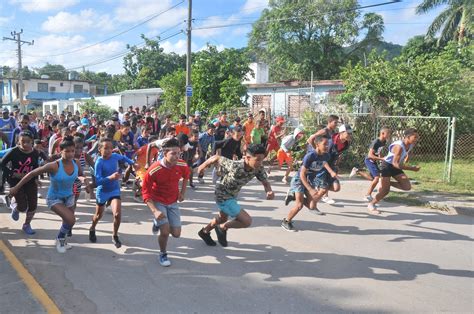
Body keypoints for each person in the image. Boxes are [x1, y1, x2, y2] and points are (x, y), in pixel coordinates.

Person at [9, 136, 80, 253]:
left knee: (67, 221)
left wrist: (85, 181)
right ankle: (60, 238)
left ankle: (63, 241)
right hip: (54, 198)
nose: (71, 154)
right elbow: (31, 174)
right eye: (67, 151)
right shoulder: (53, 165)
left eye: (73, 151)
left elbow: (80, 175)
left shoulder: (76, 162)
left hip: (70, 197)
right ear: (60, 151)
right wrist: (16, 187)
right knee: (71, 220)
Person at [197, 144, 274, 247]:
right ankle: (222, 227)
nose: (260, 163)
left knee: (222, 218)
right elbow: (216, 157)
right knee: (246, 221)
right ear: (247, 158)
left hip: (232, 195)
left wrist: (269, 191)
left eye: (262, 160)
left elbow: (265, 182)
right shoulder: (235, 165)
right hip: (222, 196)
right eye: (258, 160)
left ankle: (204, 232)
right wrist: (201, 167)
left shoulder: (258, 168)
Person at [142, 138, 190, 267]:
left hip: (173, 201)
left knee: (176, 234)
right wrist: (155, 211)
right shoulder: (154, 169)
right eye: (173, 154)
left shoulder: (182, 164)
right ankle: (163, 253)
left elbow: (186, 176)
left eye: (178, 153)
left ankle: (156, 222)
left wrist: (182, 192)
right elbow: (145, 192)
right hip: (158, 202)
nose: (177, 157)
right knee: (165, 231)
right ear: (165, 154)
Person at [89, 138, 137, 248]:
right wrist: (110, 177)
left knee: (117, 214)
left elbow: (124, 157)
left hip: (114, 189)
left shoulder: (115, 156)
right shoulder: (99, 162)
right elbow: (98, 181)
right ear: (100, 149)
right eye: (105, 148)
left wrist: (133, 163)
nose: (108, 150)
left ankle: (115, 235)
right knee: (98, 216)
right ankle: (92, 228)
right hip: (103, 191)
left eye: (110, 148)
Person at [281, 136, 337, 231]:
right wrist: (310, 189)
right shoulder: (310, 156)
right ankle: (286, 222)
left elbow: (324, 163)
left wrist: (331, 172)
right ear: (317, 145)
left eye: (328, 144)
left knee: (312, 206)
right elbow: (302, 174)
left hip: (309, 179)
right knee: (299, 205)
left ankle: (293, 195)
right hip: (299, 180)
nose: (327, 146)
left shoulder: (326, 155)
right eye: (325, 144)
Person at [368, 128, 420, 214]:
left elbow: (407, 153)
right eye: (415, 137)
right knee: (385, 191)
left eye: (417, 137)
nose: (417, 139)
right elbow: (395, 164)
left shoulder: (410, 144)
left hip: (395, 166)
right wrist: (412, 168)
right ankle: (371, 204)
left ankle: (385, 182)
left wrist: (407, 157)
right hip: (387, 166)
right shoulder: (399, 146)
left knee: (407, 187)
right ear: (408, 137)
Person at [1, 131, 40, 235]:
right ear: (18, 141)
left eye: (28, 142)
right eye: (23, 141)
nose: (26, 144)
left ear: (32, 142)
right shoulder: (14, 151)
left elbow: (36, 167)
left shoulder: (35, 152)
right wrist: (13, 173)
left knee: (33, 205)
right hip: (15, 181)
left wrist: (36, 178)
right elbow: (2, 163)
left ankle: (27, 225)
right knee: (22, 206)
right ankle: (15, 207)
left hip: (30, 181)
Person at [349, 127, 391, 201]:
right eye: (388, 133)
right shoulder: (376, 142)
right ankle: (367, 195)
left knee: (372, 178)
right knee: (377, 178)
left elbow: (379, 151)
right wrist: (382, 159)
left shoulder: (383, 141)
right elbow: (370, 155)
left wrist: (381, 159)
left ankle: (357, 171)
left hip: (374, 160)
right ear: (382, 133)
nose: (389, 135)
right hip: (369, 160)